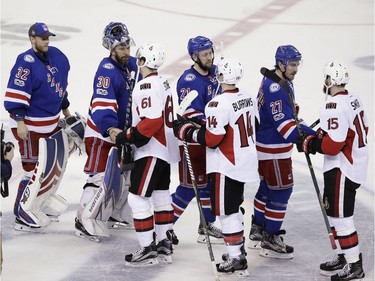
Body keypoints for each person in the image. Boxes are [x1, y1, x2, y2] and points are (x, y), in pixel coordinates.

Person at [173, 57, 258, 274]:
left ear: (220, 76)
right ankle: (238, 249)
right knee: (234, 207)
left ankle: (236, 257)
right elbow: (249, 123)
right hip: (245, 162)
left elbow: (212, 139)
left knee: (226, 212)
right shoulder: (248, 96)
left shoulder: (216, 103)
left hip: (225, 164)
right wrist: (202, 123)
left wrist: (186, 131)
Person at [296, 62, 368, 280]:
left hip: (342, 167)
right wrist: (317, 134)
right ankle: (344, 255)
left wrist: (310, 143)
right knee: (335, 212)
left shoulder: (333, 106)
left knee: (341, 216)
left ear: (329, 80)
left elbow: (332, 145)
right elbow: (340, 131)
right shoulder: (353, 98)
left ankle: (355, 265)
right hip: (354, 163)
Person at [3, 22, 72, 232]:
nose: (46, 41)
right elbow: (16, 95)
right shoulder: (25, 62)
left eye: (47, 37)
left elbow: (60, 90)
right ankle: (21, 210)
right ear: (32, 39)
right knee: (32, 169)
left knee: (49, 167)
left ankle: (39, 202)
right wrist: (21, 123)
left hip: (50, 125)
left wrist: (67, 114)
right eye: (42, 38)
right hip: (30, 127)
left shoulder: (57, 56)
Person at [249, 45, 316, 259]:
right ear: (281, 64)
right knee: (281, 192)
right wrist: (305, 139)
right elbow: (284, 124)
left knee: (266, 189)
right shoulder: (275, 88)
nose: (296, 68)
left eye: (297, 64)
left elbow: (290, 117)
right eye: (293, 64)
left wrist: (309, 131)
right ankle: (270, 237)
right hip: (274, 149)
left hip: (265, 146)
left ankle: (257, 229)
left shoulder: (279, 81)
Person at [116, 42, 179, 266]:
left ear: (143, 61)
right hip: (166, 149)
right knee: (161, 196)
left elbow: (151, 122)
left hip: (151, 149)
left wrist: (129, 135)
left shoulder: (146, 86)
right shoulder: (163, 81)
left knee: (137, 198)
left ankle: (147, 248)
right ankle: (163, 242)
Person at [74, 22, 138, 241]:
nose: (126, 51)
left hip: (120, 135)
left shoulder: (130, 66)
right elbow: (102, 104)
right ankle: (82, 219)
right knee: (98, 177)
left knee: (123, 177)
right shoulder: (106, 70)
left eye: (127, 45)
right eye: (121, 47)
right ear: (111, 48)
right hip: (101, 134)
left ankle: (114, 214)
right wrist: (110, 128)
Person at [171, 35, 223, 245]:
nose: (209, 57)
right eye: (204, 54)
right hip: (192, 142)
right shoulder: (188, 81)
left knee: (208, 185)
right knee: (188, 187)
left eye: (210, 53)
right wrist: (215, 123)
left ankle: (206, 225)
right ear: (194, 56)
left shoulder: (214, 74)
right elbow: (192, 113)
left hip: (209, 141)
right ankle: (162, 225)